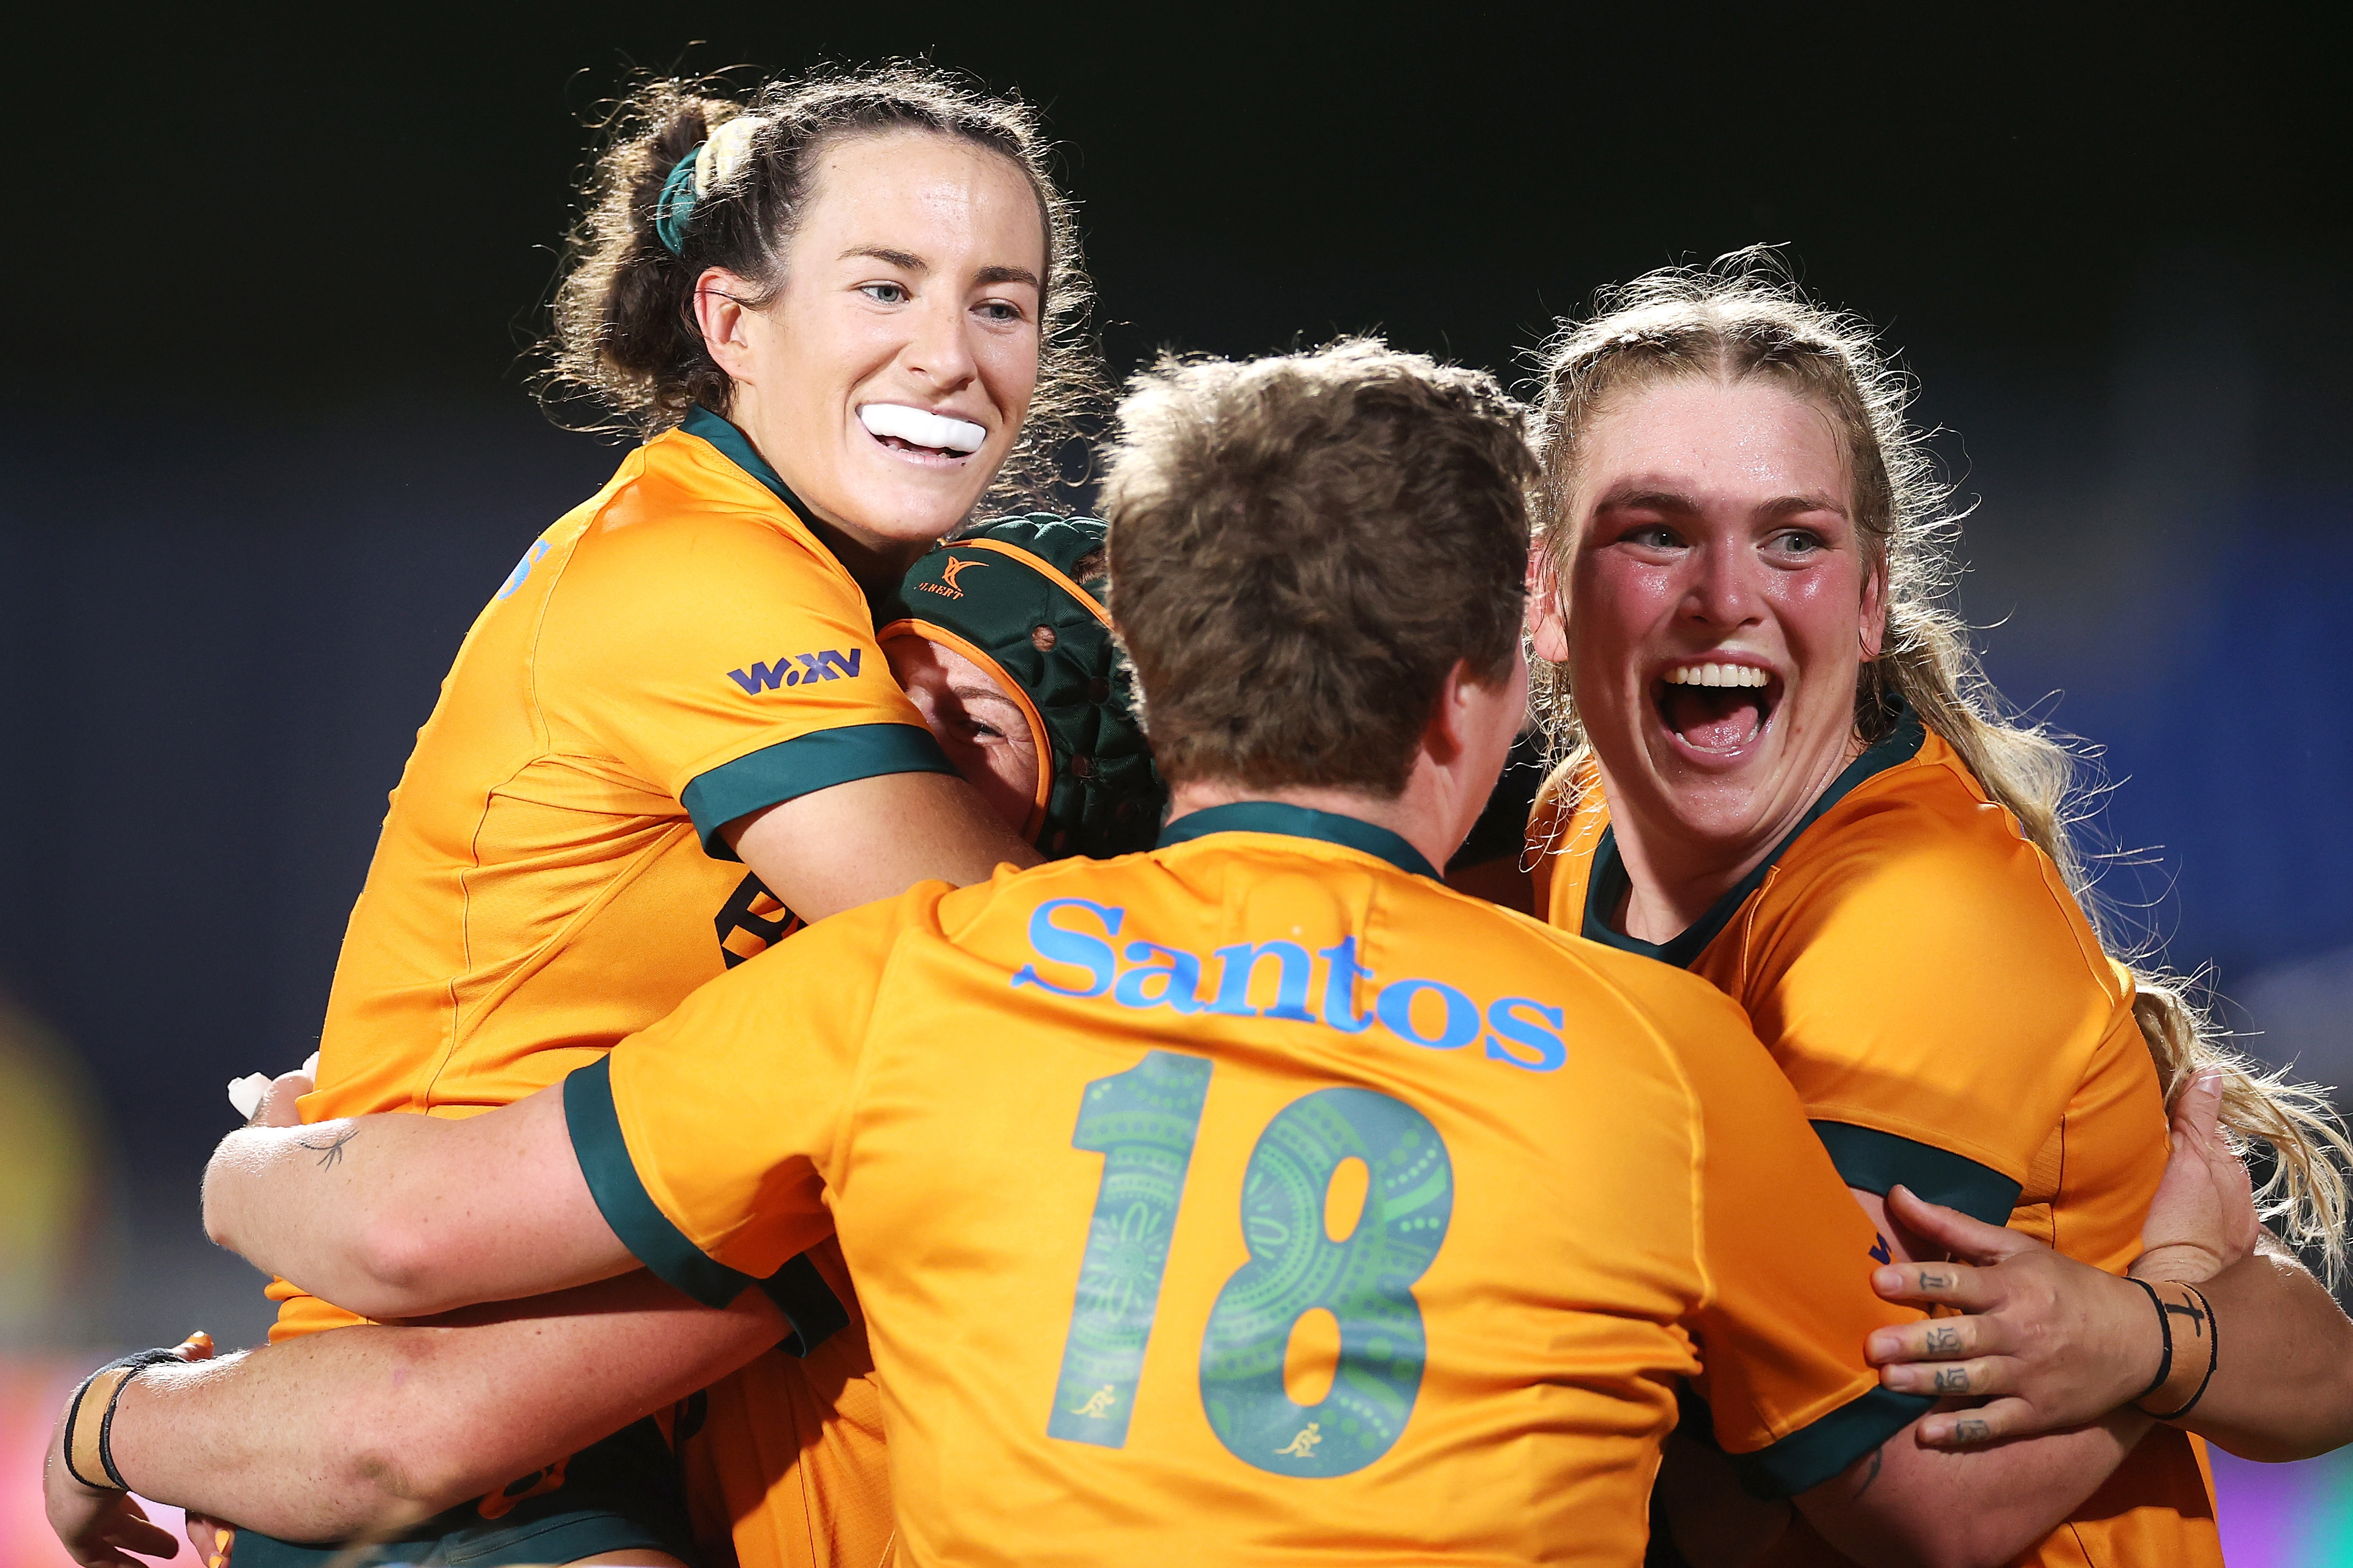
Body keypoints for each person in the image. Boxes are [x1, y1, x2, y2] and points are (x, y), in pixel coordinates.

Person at [193, 340, 2205, 1567]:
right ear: (1483, 688)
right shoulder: (1656, 1052)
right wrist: (2175, 1297)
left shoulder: (920, 978)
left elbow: (397, 1251)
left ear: (1143, 664)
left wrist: (266, 1149)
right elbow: (1928, 1507)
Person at [45, 64, 1106, 1568]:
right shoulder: (705, 569)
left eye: (1001, 303)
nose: (949, 352)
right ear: (732, 322)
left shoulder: (850, 595)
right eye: (887, 285)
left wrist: (246, 1211)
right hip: (452, 1445)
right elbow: (1009, 970)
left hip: (590, 1367)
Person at [1511, 255, 2353, 1566]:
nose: (1724, 592)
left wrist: (2167, 1304)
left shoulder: (1910, 916)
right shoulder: (1576, 826)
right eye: (1654, 531)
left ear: (1867, 601)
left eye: (1792, 537)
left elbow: (1920, 1497)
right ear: (1543, 595)